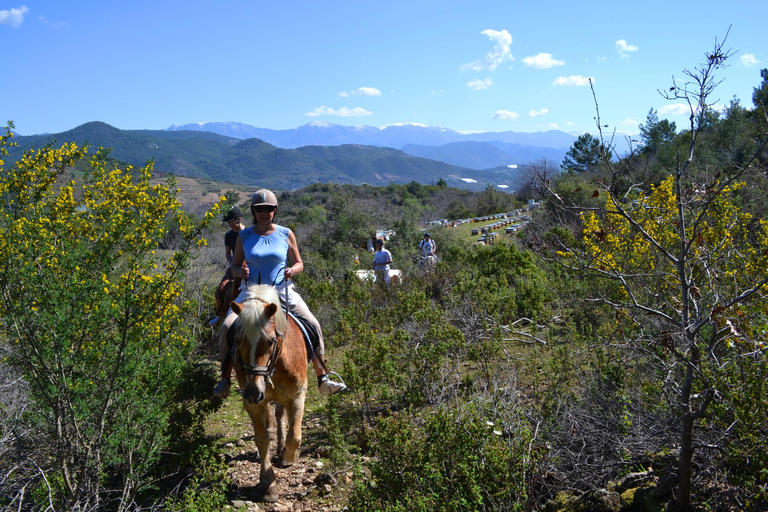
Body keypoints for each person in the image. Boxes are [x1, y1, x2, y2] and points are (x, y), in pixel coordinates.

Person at [213, 189, 346, 399]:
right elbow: (236, 265)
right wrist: (241, 271)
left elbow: (299, 263)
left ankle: (323, 377)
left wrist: (292, 270)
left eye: (268, 209)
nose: (264, 213)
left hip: (282, 291)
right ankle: (225, 379)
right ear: (253, 211)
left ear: (275, 211)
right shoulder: (244, 236)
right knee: (227, 326)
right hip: (252, 293)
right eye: (260, 210)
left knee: (313, 323)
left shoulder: (286, 233)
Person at [208, 206, 245, 326]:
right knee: (219, 291)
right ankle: (219, 316)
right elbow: (228, 254)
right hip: (234, 266)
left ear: (238, 219)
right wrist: (232, 263)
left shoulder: (249, 233)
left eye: (231, 222)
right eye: (228, 223)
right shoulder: (228, 235)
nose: (229, 225)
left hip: (250, 266)